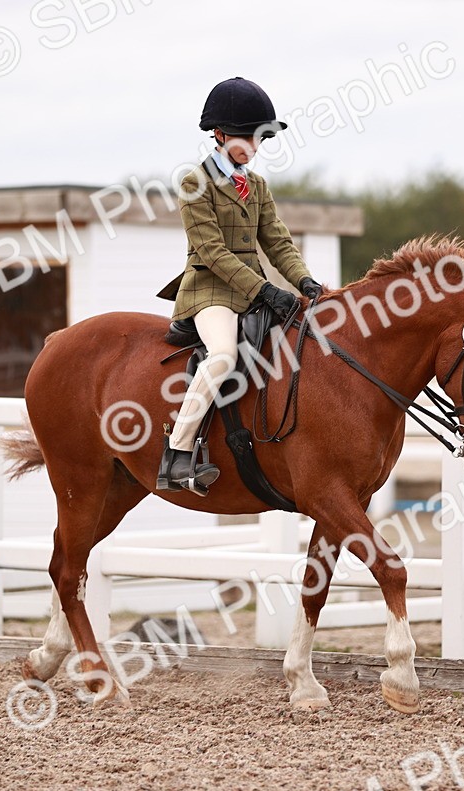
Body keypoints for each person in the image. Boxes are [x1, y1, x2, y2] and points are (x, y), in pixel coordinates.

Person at [155, 77, 324, 495]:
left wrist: (305, 281)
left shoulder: (258, 186)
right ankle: (177, 453)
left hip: (250, 291)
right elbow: (213, 252)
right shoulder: (196, 183)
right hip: (210, 291)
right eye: (248, 136)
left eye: (259, 137)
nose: (254, 145)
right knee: (223, 355)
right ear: (220, 134)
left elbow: (278, 241)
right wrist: (266, 291)